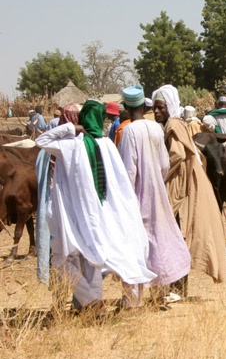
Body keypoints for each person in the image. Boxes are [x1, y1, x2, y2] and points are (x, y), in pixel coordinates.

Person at [36, 100, 155, 313]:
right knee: (93, 263)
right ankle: (96, 308)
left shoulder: (73, 144)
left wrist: (70, 129)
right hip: (100, 216)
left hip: (73, 216)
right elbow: (119, 182)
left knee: (63, 261)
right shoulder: (107, 145)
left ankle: (92, 302)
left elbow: (42, 139)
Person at [152, 85, 226, 295]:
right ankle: (177, 288)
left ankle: (177, 288)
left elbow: (176, 155)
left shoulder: (173, 126)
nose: (157, 112)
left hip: (181, 186)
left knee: (177, 234)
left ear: (170, 107)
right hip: (185, 183)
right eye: (156, 108)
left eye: (161, 108)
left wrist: (159, 176)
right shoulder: (175, 124)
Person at [118, 86, 191, 303]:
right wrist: (158, 182)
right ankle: (160, 292)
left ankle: (134, 299)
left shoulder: (129, 131)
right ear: (144, 106)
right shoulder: (155, 128)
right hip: (158, 192)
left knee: (136, 244)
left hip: (137, 195)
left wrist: (126, 198)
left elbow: (129, 170)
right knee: (159, 239)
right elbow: (163, 164)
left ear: (125, 108)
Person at [35, 103, 79, 286]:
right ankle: (79, 298)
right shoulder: (78, 145)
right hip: (72, 207)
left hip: (53, 206)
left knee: (58, 252)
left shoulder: (48, 149)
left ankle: (59, 298)